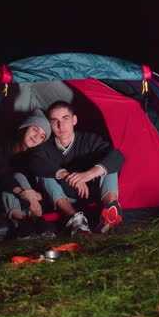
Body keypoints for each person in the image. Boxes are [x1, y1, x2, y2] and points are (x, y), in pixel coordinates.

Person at [30, 100, 125, 236]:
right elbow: (34, 162)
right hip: (64, 197)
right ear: (50, 125)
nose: (60, 125)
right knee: (43, 173)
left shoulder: (89, 139)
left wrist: (88, 174)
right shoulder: (45, 146)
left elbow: (117, 156)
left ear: (74, 120)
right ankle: (75, 220)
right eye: (54, 121)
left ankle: (110, 211)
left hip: (92, 193)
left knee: (108, 166)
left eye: (65, 119)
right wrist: (67, 175)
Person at [0, 112, 54, 237]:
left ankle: (27, 223)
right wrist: (21, 192)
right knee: (13, 180)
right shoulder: (0, 144)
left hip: (24, 201)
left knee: (19, 176)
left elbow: (36, 182)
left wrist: (36, 195)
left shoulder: (32, 157)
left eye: (42, 136)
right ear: (25, 127)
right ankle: (25, 220)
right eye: (35, 129)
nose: (36, 137)